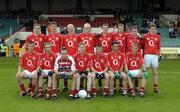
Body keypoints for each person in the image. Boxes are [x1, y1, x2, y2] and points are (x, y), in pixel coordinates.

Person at [143, 24, 161, 93]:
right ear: (149, 29)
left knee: (155, 72)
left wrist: (160, 55)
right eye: (152, 29)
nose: (153, 30)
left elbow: (159, 47)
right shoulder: (145, 36)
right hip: (147, 55)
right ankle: (143, 87)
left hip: (155, 56)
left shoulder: (158, 36)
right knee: (145, 72)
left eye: (154, 29)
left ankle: (155, 87)